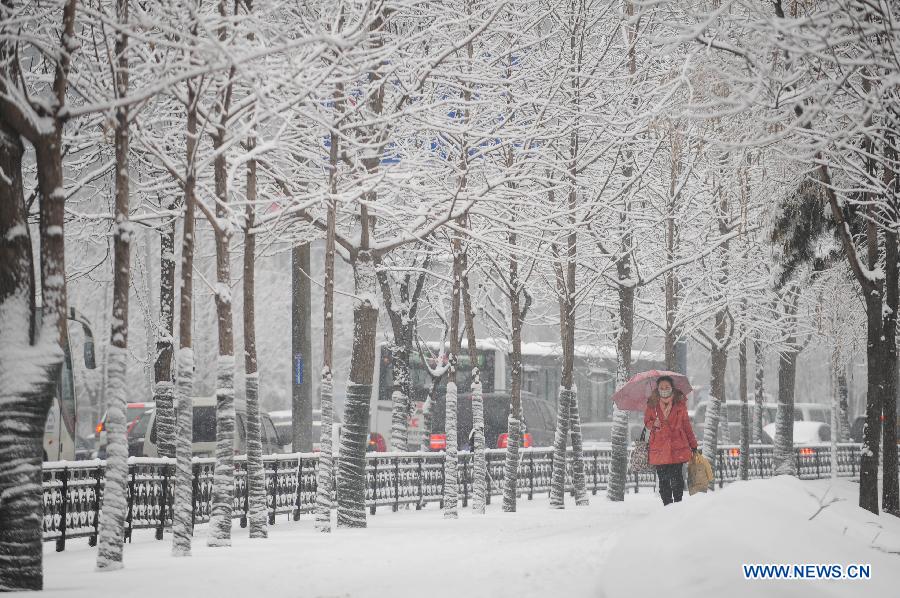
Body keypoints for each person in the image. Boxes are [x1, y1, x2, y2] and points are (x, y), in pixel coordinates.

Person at [644, 375, 698, 505]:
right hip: (659, 447)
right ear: (657, 389)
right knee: (663, 481)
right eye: (661, 387)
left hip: (677, 447)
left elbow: (686, 425)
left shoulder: (679, 403)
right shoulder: (652, 404)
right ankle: (667, 507)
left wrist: (693, 445)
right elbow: (646, 422)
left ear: (672, 388)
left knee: (677, 479)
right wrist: (653, 424)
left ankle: (678, 506)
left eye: (667, 387)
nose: (664, 389)